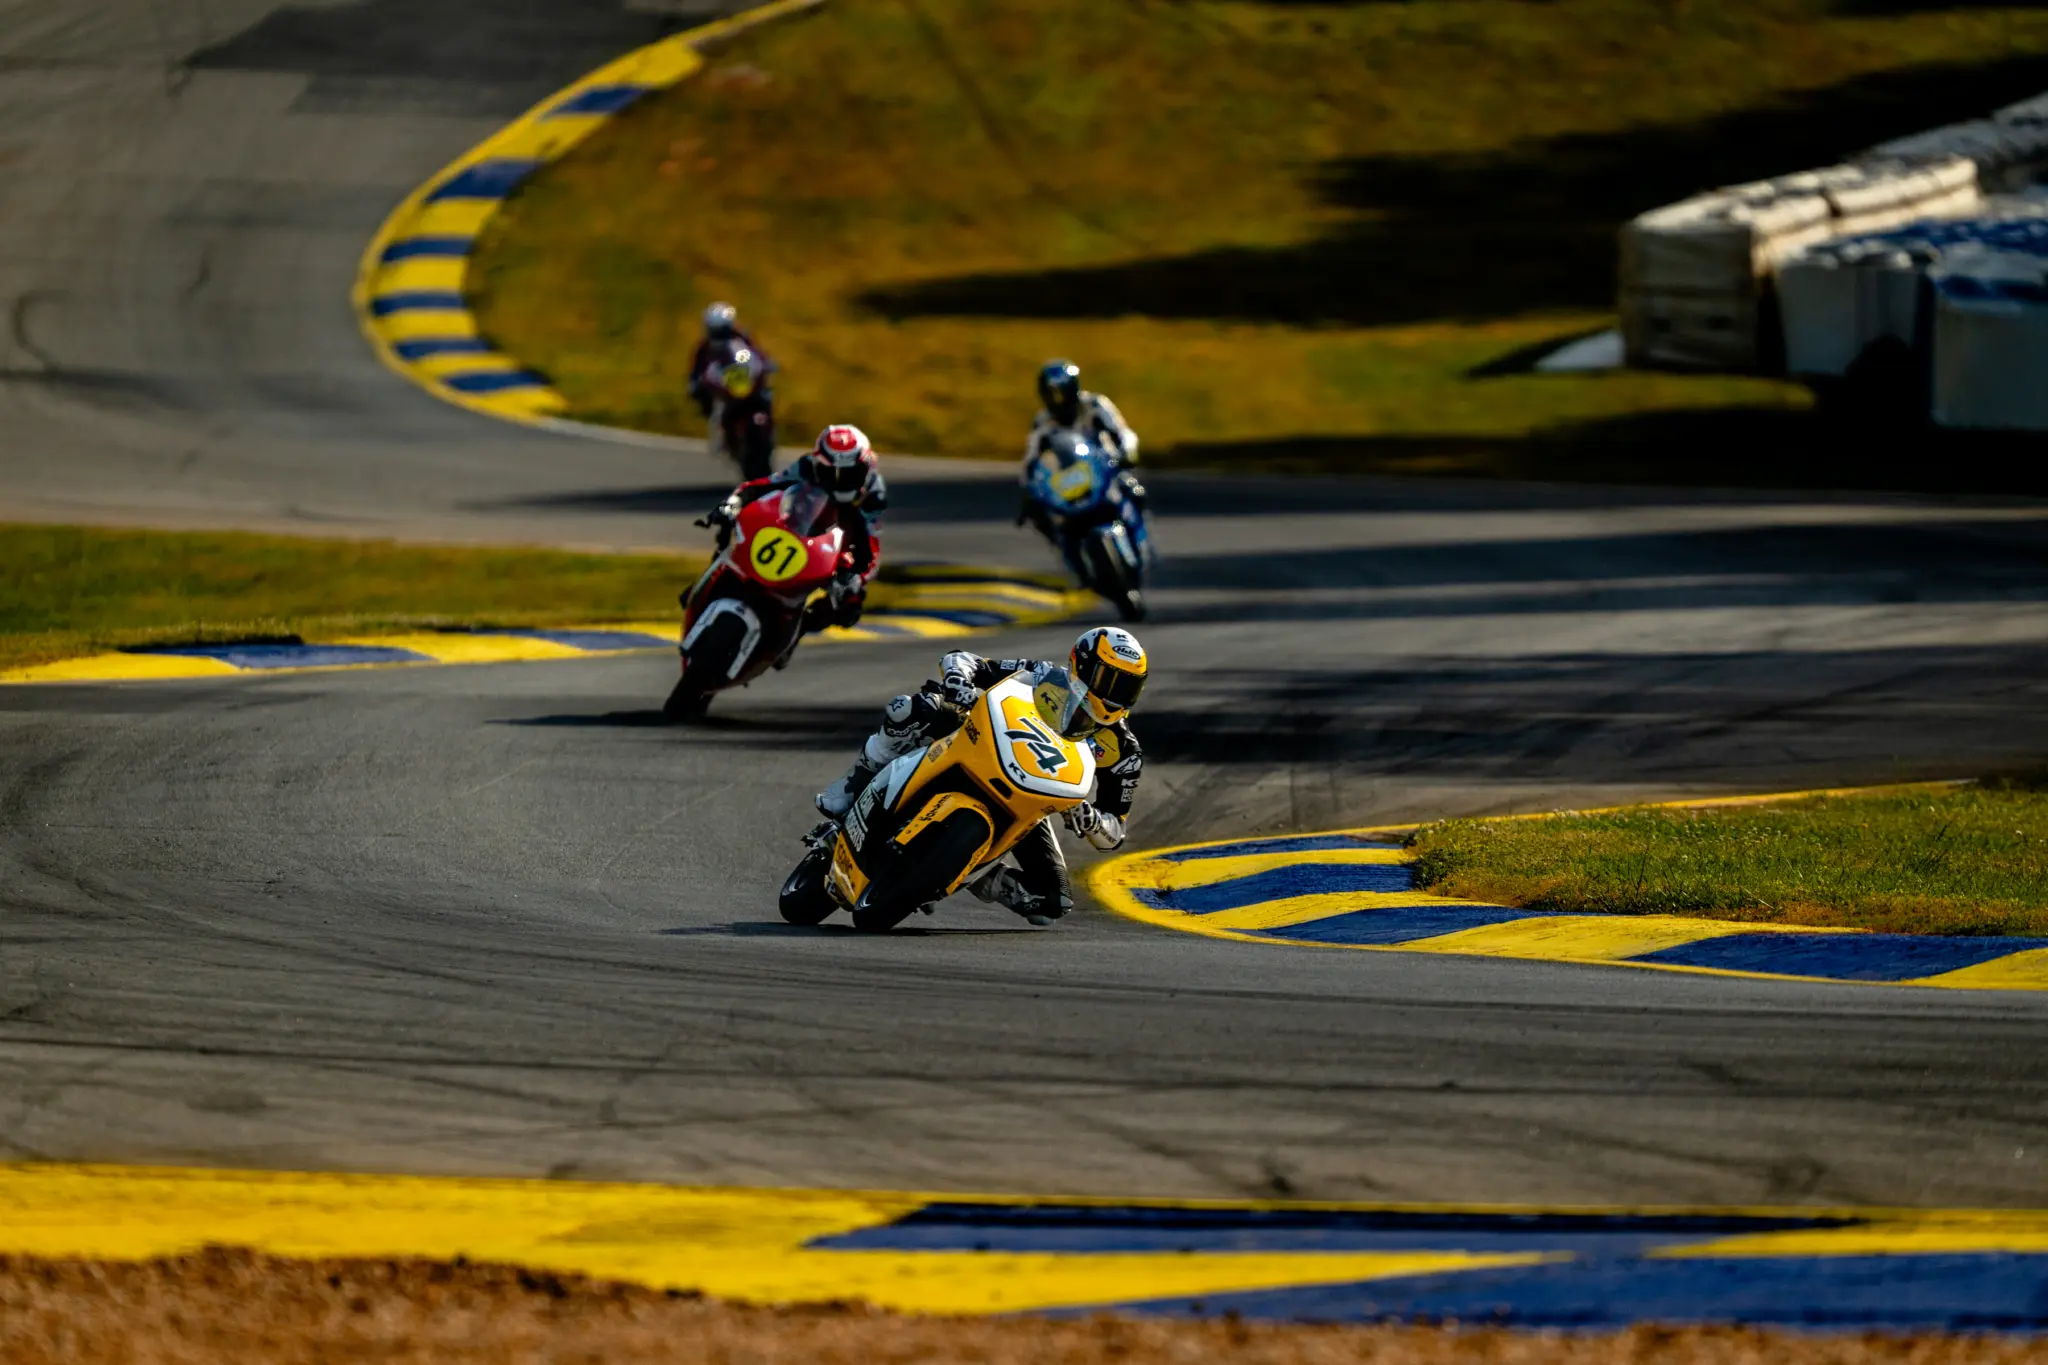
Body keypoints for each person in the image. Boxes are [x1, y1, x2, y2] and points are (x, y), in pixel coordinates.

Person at [814, 626, 1149, 925]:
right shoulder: (1042, 675)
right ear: (1083, 664)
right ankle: (854, 783)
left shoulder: (1124, 750)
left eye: (1129, 687)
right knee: (916, 708)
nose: (1117, 696)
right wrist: (958, 680)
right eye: (1111, 681)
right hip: (978, 747)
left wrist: (1092, 821)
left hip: (1028, 798)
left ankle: (969, 872)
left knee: (1051, 900)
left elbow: (1115, 831)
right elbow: (964, 659)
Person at [697, 424, 887, 634]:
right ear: (818, 462)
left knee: (849, 607)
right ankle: (710, 581)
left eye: (850, 474)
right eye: (829, 472)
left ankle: (795, 629)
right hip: (797, 523)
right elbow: (762, 486)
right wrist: (733, 504)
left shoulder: (874, 493)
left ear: (866, 465)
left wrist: (855, 579)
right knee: (726, 525)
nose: (839, 481)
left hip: (837, 540)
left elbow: (870, 546)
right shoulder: (806, 466)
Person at [1019, 359, 1146, 538]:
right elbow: (1031, 460)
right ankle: (1066, 548)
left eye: (1063, 393)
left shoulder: (1095, 405)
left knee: (1133, 490)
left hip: (1105, 469)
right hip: (1068, 480)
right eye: (1052, 395)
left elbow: (1122, 433)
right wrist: (1028, 491)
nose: (1059, 401)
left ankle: (1139, 539)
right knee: (1041, 517)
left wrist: (1126, 452)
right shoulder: (1042, 422)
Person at [688, 301, 777, 420]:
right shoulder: (703, 347)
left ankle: (766, 422)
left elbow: (757, 352)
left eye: (723, 330)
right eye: (715, 331)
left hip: (744, 382)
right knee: (713, 409)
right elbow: (696, 369)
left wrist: (766, 364)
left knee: (765, 396)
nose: (719, 335)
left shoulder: (741, 337)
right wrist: (695, 384)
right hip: (722, 387)